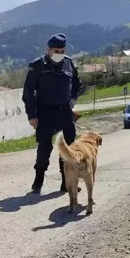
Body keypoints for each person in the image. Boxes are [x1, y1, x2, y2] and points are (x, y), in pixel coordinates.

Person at [22, 33, 83, 194]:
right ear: (48, 49)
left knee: (68, 148)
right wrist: (32, 115)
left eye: (62, 51)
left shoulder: (69, 64)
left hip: (64, 111)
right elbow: (28, 91)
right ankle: (39, 179)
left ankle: (67, 182)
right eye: (56, 51)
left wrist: (72, 101)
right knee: (44, 147)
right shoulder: (37, 66)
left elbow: (78, 84)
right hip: (44, 112)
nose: (59, 54)